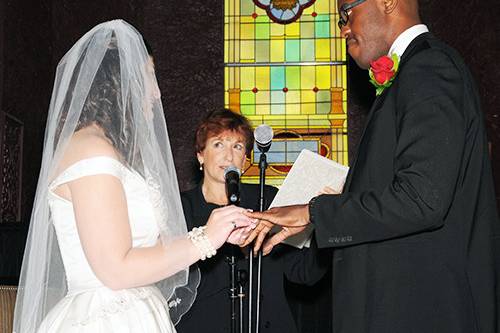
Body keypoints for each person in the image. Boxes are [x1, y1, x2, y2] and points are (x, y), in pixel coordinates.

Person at [243, 0, 500, 332]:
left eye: (346, 15)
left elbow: (421, 198)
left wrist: (314, 212)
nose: (344, 29)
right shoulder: (413, 73)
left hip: (422, 313)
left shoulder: (430, 69)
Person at [13, 20, 254, 333]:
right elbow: (115, 270)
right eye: (149, 76)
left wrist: (218, 234)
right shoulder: (90, 150)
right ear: (116, 81)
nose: (155, 93)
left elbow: (148, 253)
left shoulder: (111, 153)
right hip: (103, 319)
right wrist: (205, 238)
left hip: (138, 310)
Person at [175, 109, 330, 333]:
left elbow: (303, 272)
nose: (228, 156)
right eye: (218, 144)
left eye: (237, 146)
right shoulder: (181, 208)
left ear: (245, 159)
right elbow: (175, 287)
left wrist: (324, 217)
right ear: (200, 154)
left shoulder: (267, 199)